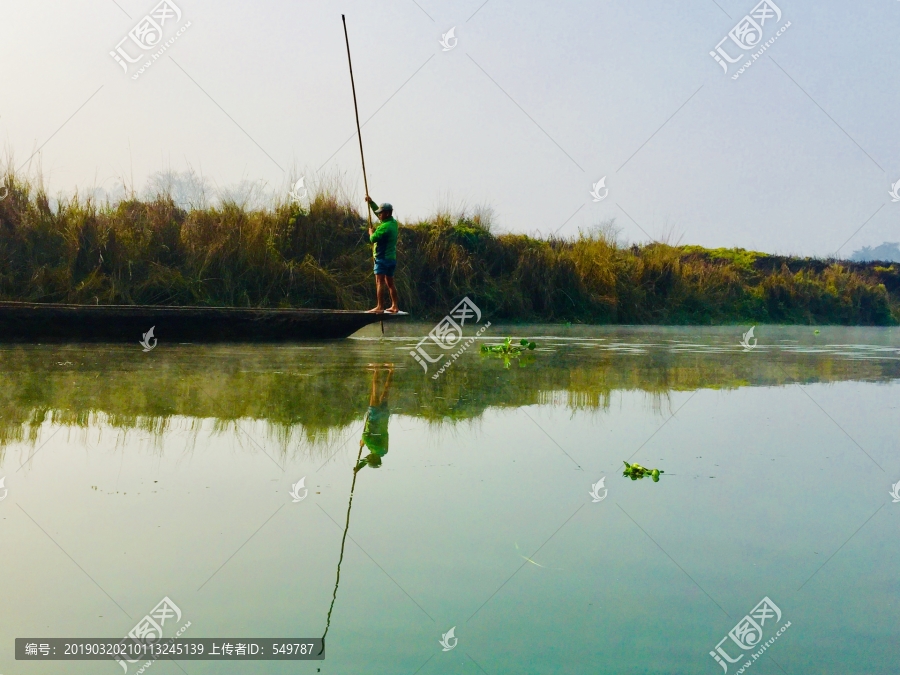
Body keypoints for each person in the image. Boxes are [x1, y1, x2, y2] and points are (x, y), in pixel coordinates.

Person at [365, 196, 400, 313]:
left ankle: (380, 307)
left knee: (379, 282)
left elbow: (373, 239)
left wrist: (371, 232)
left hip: (382, 259)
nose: (379, 215)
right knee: (390, 283)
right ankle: (395, 306)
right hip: (391, 259)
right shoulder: (393, 223)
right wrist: (371, 203)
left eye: (381, 213)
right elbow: (377, 214)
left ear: (387, 213)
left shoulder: (384, 227)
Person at [356, 364, 393, 472]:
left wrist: (359, 467)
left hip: (384, 417)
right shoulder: (373, 447)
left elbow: (367, 459)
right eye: (370, 458)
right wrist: (363, 442)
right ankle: (376, 369)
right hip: (374, 417)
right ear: (374, 458)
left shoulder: (383, 451)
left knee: (386, 391)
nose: (368, 457)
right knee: (375, 391)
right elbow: (365, 436)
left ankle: (391, 370)